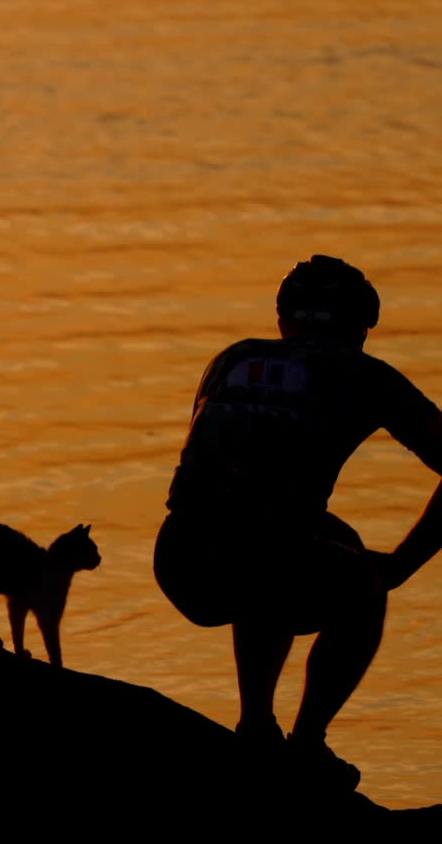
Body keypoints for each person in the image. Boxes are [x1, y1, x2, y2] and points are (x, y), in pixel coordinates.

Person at [153, 255, 442, 790]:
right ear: (361, 326)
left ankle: (256, 725)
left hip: (179, 558)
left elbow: (222, 481)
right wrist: (401, 565)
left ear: (284, 319)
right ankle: (306, 743)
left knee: (318, 539)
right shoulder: (364, 374)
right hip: (255, 560)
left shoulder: (234, 357)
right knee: (354, 578)